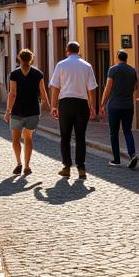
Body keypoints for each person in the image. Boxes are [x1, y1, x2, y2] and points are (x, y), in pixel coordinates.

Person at [48, 41, 99, 180]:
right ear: (79, 51)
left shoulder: (61, 65)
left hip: (65, 103)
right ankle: (81, 169)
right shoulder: (87, 66)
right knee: (80, 137)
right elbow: (92, 88)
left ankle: (66, 167)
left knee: (65, 136)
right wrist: (92, 106)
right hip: (82, 104)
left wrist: (53, 105)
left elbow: (55, 87)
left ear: (67, 51)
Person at [4, 48, 51, 177]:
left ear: (19, 58)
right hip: (33, 110)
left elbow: (12, 94)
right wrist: (48, 105)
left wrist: (8, 111)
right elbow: (43, 91)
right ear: (31, 59)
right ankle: (27, 166)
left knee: (15, 139)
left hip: (17, 111)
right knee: (28, 138)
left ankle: (19, 163)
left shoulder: (14, 74)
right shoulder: (38, 74)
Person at [101, 50, 139, 168]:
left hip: (114, 106)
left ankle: (116, 160)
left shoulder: (113, 69)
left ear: (118, 58)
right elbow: (136, 87)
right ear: (126, 58)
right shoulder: (132, 70)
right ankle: (132, 154)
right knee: (127, 130)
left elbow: (108, 87)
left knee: (114, 133)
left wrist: (102, 103)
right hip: (128, 105)